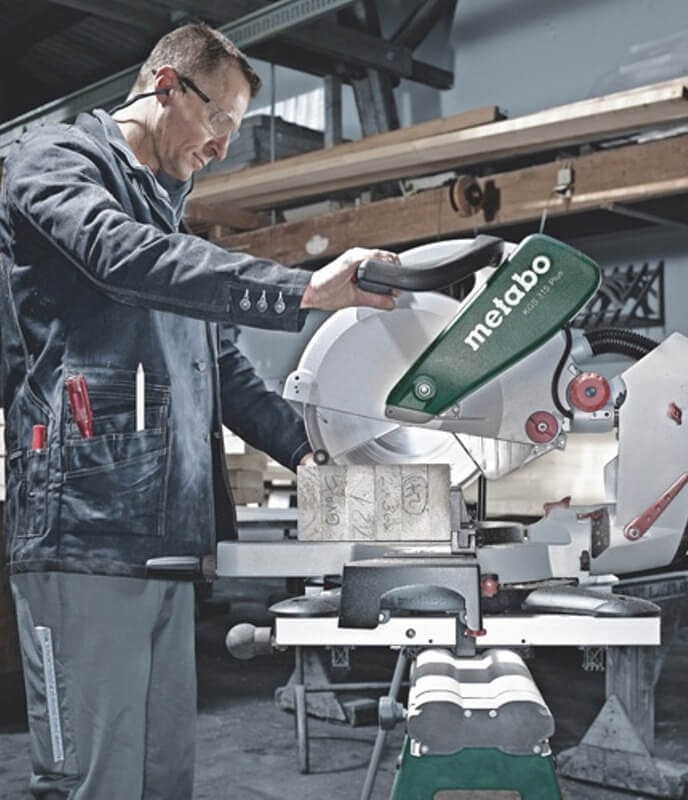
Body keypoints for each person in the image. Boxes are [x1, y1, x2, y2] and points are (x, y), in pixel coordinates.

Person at [0, 21, 398, 800]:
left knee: (162, 778)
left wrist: (317, 455)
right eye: (219, 118)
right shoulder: (54, 162)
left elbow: (225, 375)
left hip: (169, 541)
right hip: (84, 530)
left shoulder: (167, 222)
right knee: (93, 780)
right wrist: (303, 289)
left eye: (235, 131)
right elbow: (120, 258)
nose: (222, 146)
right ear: (166, 86)